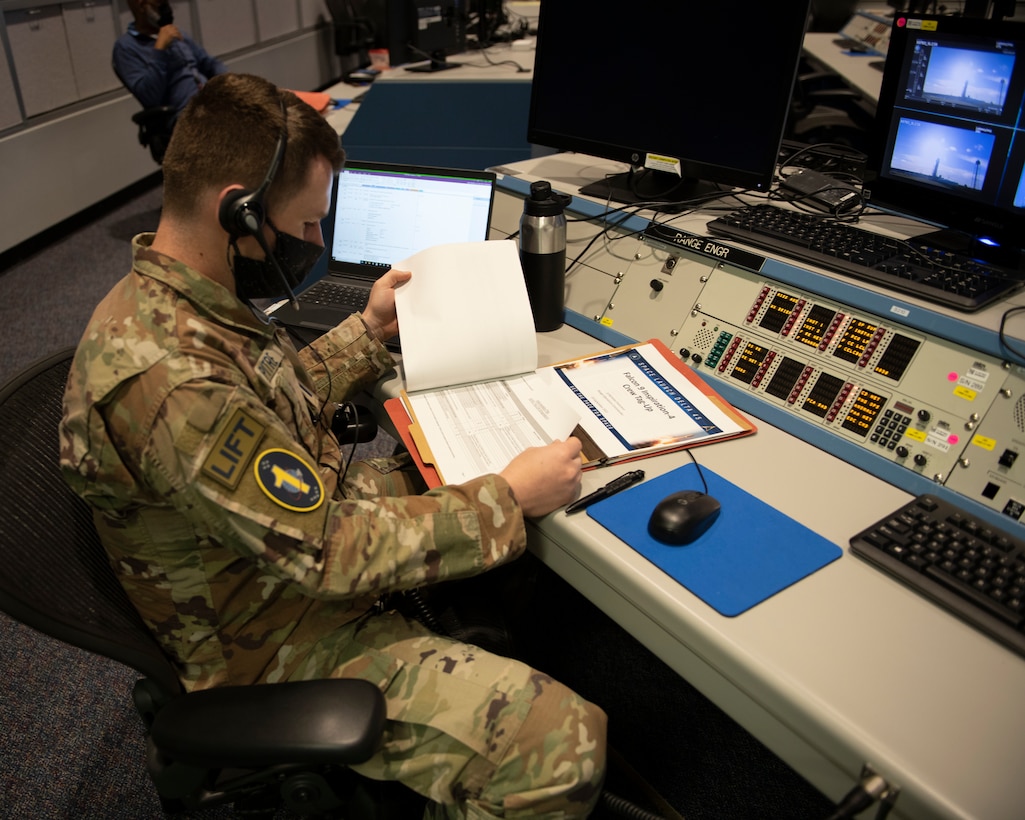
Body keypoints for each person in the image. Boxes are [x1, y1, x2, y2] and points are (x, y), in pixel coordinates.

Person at [60, 72, 606, 818]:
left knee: (447, 465)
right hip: (272, 636)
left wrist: (368, 331)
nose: (316, 243)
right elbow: (326, 553)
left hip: (273, 556)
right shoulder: (170, 375)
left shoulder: (188, 300)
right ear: (237, 210)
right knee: (560, 739)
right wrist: (504, 499)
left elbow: (264, 408)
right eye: (308, 223)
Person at [113, 0, 226, 117]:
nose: (167, 9)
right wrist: (160, 50)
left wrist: (228, 81)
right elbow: (149, 97)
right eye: (160, 4)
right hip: (186, 116)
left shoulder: (176, 32)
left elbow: (209, 63)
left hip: (210, 102)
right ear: (142, 5)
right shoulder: (126, 47)